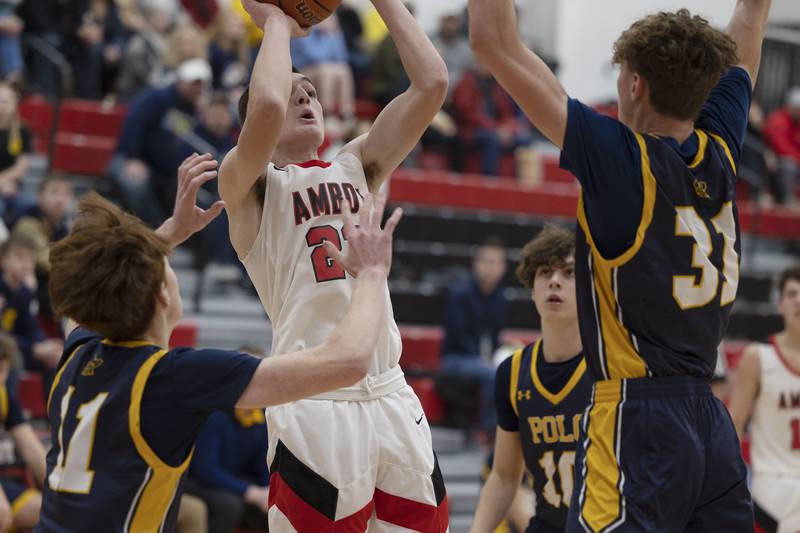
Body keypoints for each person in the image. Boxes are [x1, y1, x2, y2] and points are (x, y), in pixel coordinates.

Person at [468, 0, 771, 530]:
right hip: (710, 423)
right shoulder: (719, 148)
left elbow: (493, 42)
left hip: (640, 416)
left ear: (634, 85)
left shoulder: (622, 161)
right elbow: (747, 38)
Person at [35, 153, 402, 532]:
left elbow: (89, 295)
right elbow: (348, 363)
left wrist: (173, 231)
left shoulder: (79, 353)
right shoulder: (173, 378)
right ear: (162, 296)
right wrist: (372, 274)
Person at [220, 1, 449, 530]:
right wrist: (277, 23)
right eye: (296, 90)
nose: (305, 97)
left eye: (313, 92)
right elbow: (269, 105)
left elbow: (432, 83)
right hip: (313, 397)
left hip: (390, 390)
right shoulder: (251, 188)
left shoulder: (359, 165)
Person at [472, 226, 593, 533]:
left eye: (568, 273)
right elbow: (504, 476)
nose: (554, 281)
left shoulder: (609, 368)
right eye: (545, 273)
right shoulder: (512, 373)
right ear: (532, 287)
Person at [729, 265, 800, 533]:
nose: (799, 301)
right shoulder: (758, 358)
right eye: (792, 294)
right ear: (780, 305)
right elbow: (734, 426)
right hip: (773, 482)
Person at [110, 58, 211, 227]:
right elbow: (134, 123)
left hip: (164, 170)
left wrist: (203, 116)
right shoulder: (157, 97)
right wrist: (132, 158)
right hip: (131, 159)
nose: (198, 88)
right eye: (194, 83)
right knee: (134, 184)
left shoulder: (195, 110)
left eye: (201, 84)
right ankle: (156, 228)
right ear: (180, 80)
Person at [440, 237, 508, 435]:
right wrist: (485, 360)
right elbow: (458, 338)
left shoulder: (500, 297)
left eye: (496, 262)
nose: (491, 267)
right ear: (475, 264)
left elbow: (495, 336)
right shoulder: (459, 294)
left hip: (479, 359)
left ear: (503, 268)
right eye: (486, 261)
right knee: (492, 373)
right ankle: (488, 431)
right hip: (454, 359)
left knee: (508, 367)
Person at [0, 332, 47, 532]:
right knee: (1, 514)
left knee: (46, 510)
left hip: (5, 481)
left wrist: (64, 493)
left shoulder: (4, 397)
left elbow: (33, 451)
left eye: (3, 370)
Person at [763, 87, 800, 207]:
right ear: (792, 107)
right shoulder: (778, 120)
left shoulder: (796, 122)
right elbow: (781, 147)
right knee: (789, 165)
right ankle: (786, 199)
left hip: (794, 159)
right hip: (775, 160)